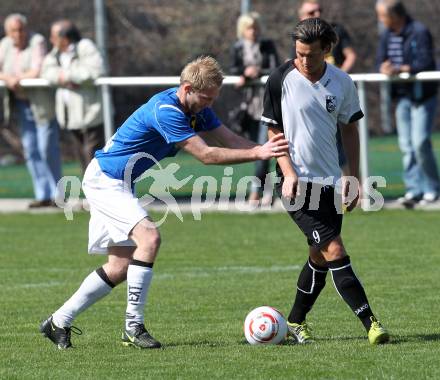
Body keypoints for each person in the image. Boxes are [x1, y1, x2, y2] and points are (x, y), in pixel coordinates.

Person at [39, 56, 289, 350]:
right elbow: (206, 155)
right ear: (187, 88)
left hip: (119, 182)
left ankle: (58, 321)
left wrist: (270, 150)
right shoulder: (167, 110)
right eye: (206, 98)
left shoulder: (197, 107)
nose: (210, 103)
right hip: (104, 180)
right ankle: (133, 327)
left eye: (213, 98)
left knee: (119, 267)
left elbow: (230, 139)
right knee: (150, 237)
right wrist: (258, 154)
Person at [261, 18, 389, 344]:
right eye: (299, 53)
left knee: (319, 256)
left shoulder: (343, 82)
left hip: (330, 183)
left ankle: (294, 322)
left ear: (327, 50)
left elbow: (350, 127)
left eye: (311, 55)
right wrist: (288, 173)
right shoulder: (280, 79)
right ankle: (371, 323)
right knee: (334, 248)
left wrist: (354, 178)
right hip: (295, 184)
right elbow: (273, 130)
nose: (303, 61)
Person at [376, 0, 440, 208]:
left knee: (420, 142)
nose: (380, 20)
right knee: (406, 146)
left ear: (394, 15)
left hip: (422, 96)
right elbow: (380, 60)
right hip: (402, 97)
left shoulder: (419, 31)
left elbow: (427, 62)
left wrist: (403, 68)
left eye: (382, 15)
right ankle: (414, 190)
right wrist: (385, 68)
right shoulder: (387, 34)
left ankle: (432, 188)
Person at [0, 13, 62, 208]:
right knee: (31, 150)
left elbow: (37, 69)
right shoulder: (4, 45)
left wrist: (16, 78)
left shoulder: (37, 41)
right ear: (7, 32)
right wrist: (8, 79)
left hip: (42, 105)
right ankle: (42, 194)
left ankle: (57, 195)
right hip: (21, 105)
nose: (18, 34)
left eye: (20, 29)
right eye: (13, 31)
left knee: (46, 149)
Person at [297, 0, 358, 176]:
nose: (317, 14)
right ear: (301, 16)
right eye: (311, 12)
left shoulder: (336, 30)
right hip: (311, 97)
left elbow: (351, 56)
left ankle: (352, 183)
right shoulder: (299, 36)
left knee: (344, 138)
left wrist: (337, 78)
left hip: (335, 95)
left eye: (319, 10)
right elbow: (290, 63)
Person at [41, 20, 105, 174]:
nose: (51, 40)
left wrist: (68, 76)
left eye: (54, 36)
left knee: (94, 158)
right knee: (82, 159)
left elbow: (95, 70)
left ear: (65, 37)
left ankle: (99, 193)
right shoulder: (55, 53)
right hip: (69, 116)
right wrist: (63, 78)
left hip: (90, 113)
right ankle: (91, 194)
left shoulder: (85, 46)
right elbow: (46, 72)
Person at [230, 12, 279, 206]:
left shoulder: (268, 45)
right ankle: (267, 190)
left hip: (267, 104)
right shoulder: (238, 47)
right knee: (257, 150)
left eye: (256, 27)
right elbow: (233, 70)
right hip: (248, 106)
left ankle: (256, 191)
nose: (254, 31)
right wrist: (244, 74)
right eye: (250, 27)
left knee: (264, 147)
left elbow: (276, 68)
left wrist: (258, 72)